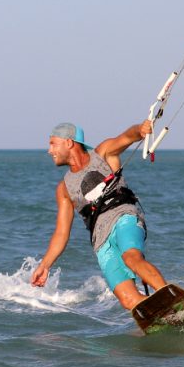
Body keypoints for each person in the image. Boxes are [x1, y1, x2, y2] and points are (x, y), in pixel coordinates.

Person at [30, 120, 167, 310]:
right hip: (101, 242)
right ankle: (164, 314)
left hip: (123, 218)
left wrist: (140, 130)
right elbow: (61, 233)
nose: (49, 150)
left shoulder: (102, 153)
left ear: (69, 142)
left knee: (131, 258)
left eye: (53, 143)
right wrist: (45, 265)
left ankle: (173, 299)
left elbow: (127, 137)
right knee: (128, 300)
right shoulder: (64, 189)